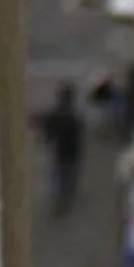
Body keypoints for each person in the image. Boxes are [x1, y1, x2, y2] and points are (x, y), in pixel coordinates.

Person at [37, 79, 85, 215]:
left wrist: (45, 139)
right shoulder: (75, 116)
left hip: (60, 152)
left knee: (59, 177)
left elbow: (48, 131)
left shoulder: (56, 114)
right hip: (73, 152)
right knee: (69, 177)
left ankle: (60, 200)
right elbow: (80, 135)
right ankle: (65, 199)